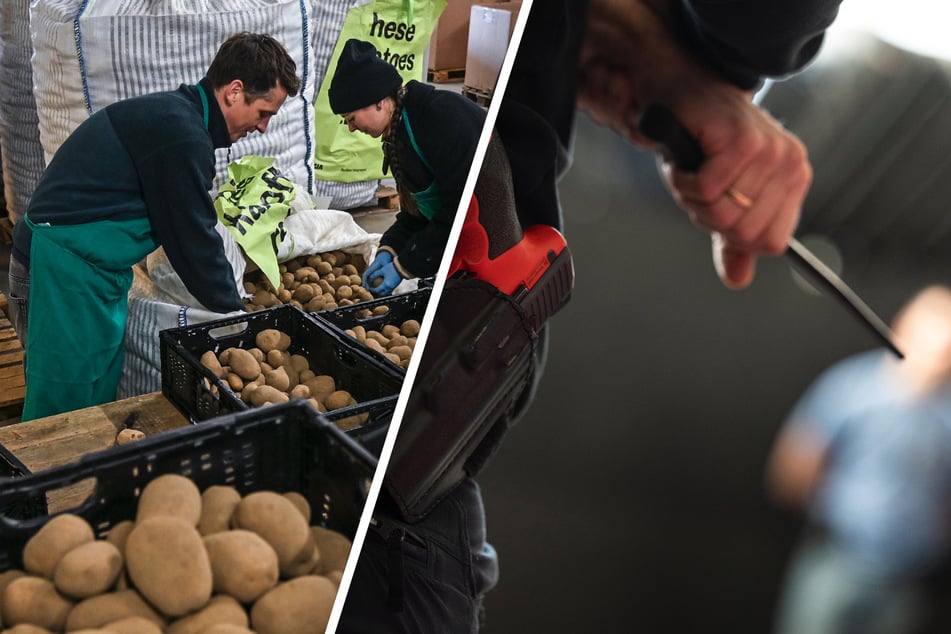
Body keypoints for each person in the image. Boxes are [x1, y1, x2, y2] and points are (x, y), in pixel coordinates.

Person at [335, 1, 843, 632]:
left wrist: (628, 36)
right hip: (462, 351)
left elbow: (450, 204)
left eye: (352, 113)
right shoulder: (408, 127)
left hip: (475, 324)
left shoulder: (432, 118)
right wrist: (713, 54)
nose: (352, 127)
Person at [7, 32, 301, 422]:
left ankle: (84, 475)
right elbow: (192, 238)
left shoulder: (179, 118)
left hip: (94, 273)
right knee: (60, 408)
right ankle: (41, 483)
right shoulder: (180, 132)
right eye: (263, 112)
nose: (263, 127)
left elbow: (189, 227)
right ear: (234, 91)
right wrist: (237, 316)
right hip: (60, 270)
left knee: (96, 395)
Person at [765, 285, 951, 634]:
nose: (938, 358)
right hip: (836, 561)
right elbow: (792, 469)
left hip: (906, 580)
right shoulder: (850, 387)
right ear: (903, 328)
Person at [327, 37, 487, 297]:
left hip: (491, 232)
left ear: (378, 101)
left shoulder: (441, 117)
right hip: (460, 237)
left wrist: (405, 266)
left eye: (351, 118)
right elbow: (417, 215)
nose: (352, 127)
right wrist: (388, 249)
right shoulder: (397, 135)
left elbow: (460, 209)